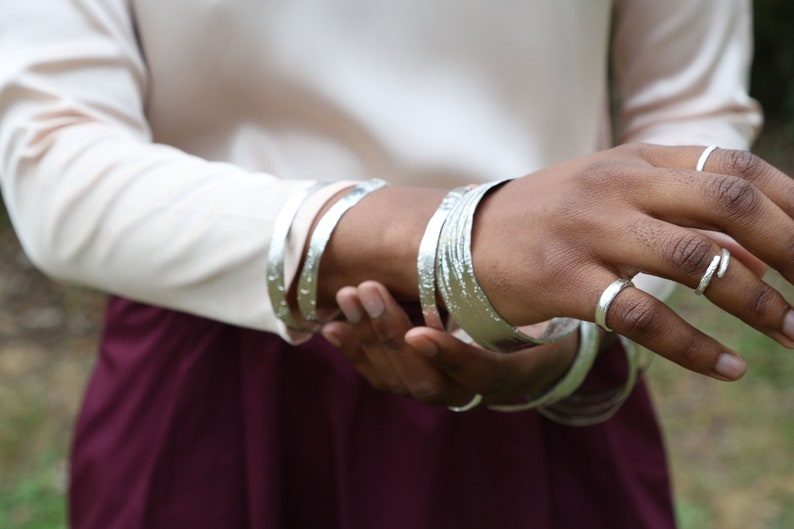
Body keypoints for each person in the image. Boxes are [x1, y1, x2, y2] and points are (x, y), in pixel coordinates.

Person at [0, 0, 787, 528]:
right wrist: (455, 242)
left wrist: (577, 333)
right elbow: (53, 157)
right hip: (212, 364)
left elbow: (691, 107)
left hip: (538, 348)